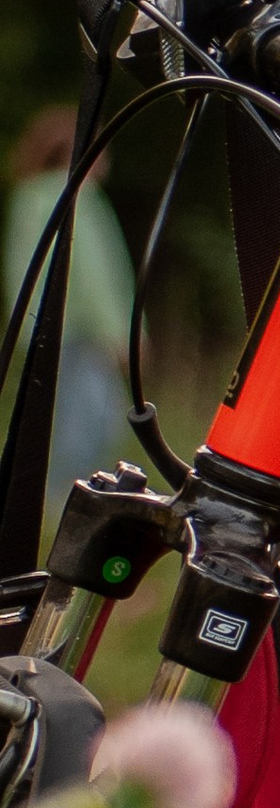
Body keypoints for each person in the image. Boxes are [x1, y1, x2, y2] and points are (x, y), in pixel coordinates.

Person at [3, 106, 135, 512]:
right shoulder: (78, 195)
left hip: (42, 333)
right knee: (94, 425)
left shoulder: (28, 195)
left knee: (57, 427)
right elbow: (96, 272)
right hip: (82, 335)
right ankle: (61, 512)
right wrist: (122, 335)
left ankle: (42, 511)